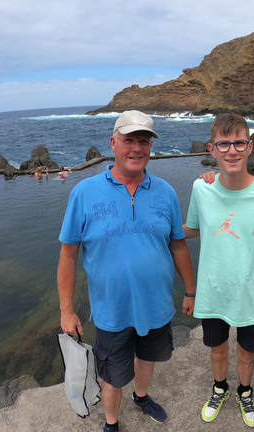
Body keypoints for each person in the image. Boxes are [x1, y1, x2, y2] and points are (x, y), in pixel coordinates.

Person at [58, 110, 196, 432]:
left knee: (147, 360)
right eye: (129, 140)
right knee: (112, 373)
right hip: (111, 310)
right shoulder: (84, 193)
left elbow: (178, 245)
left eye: (144, 141)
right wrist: (67, 310)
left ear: (151, 146)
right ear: (113, 143)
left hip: (157, 305)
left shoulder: (166, 192)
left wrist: (190, 290)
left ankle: (142, 396)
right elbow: (68, 254)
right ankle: (111, 422)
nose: (137, 148)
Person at [184, 113, 254, 428]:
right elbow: (191, 229)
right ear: (212, 149)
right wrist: (148, 228)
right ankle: (220, 388)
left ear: (249, 147)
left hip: (251, 293)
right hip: (213, 291)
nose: (232, 150)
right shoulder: (201, 189)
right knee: (217, 352)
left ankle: (245, 392)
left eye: (239, 143)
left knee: (247, 354)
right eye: (224, 144)